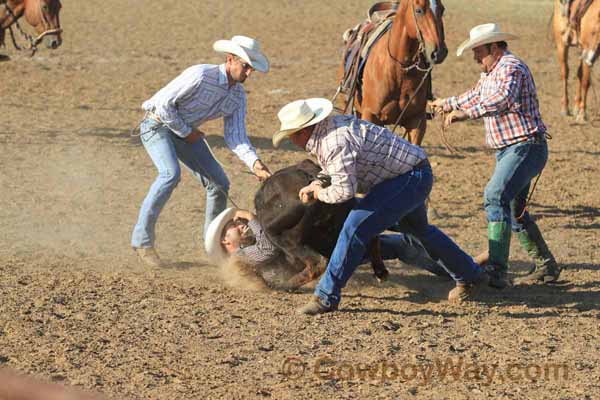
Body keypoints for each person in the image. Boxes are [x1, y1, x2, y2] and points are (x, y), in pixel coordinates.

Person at [271, 98, 490, 315]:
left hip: (407, 178)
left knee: (355, 227)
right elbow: (338, 167)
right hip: (412, 173)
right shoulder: (331, 129)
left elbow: (343, 191)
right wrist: (317, 182)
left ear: (301, 132)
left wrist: (319, 193)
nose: (291, 140)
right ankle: (470, 274)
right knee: (419, 231)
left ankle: (326, 297)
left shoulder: (332, 141)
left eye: (290, 135)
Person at [429, 23, 560, 288]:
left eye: (479, 51)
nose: (476, 57)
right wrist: (448, 103)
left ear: (495, 47)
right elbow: (476, 95)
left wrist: (466, 114)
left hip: (525, 147)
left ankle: (498, 270)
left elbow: (502, 100)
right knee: (514, 209)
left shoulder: (511, 68)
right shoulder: (490, 72)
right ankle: (545, 265)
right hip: (513, 150)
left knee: (495, 195)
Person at [131, 35, 273, 267]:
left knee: (219, 183)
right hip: (157, 125)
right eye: (245, 67)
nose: (248, 74)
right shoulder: (200, 74)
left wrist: (255, 164)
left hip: (186, 133)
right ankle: (142, 241)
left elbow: (236, 136)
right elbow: (163, 105)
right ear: (230, 59)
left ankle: (212, 245)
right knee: (170, 175)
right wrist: (187, 132)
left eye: (251, 69)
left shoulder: (237, 96)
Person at [204, 208, 452, 280]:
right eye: (233, 227)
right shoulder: (242, 257)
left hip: (312, 253)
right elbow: (268, 249)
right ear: (227, 242)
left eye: (237, 222)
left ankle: (452, 267)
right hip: (314, 258)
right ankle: (453, 269)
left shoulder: (246, 251)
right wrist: (252, 217)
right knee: (393, 244)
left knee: (391, 243)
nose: (238, 225)